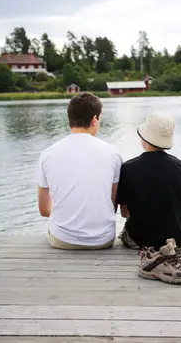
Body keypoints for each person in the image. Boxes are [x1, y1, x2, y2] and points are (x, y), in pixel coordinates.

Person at [117, 111, 181, 283]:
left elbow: (124, 213)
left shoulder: (127, 168)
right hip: (177, 238)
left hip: (140, 239)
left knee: (126, 231)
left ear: (144, 139)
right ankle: (170, 251)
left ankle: (153, 259)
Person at [36, 92, 122, 250]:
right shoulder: (112, 153)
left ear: (70, 119)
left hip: (62, 240)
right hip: (103, 240)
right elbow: (112, 203)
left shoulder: (47, 154)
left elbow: (43, 210)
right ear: (94, 120)